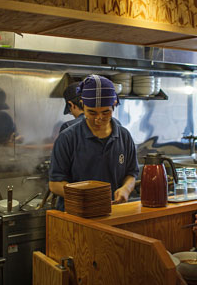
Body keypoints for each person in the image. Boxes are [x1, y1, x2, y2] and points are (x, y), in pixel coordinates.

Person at [49, 75, 139, 210]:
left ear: (114, 105)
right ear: (83, 105)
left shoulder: (123, 136)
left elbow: (131, 174)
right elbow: (55, 184)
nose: (98, 119)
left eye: (105, 112)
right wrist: (84, 197)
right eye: (92, 113)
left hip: (113, 212)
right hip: (76, 215)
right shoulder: (68, 138)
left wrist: (126, 189)